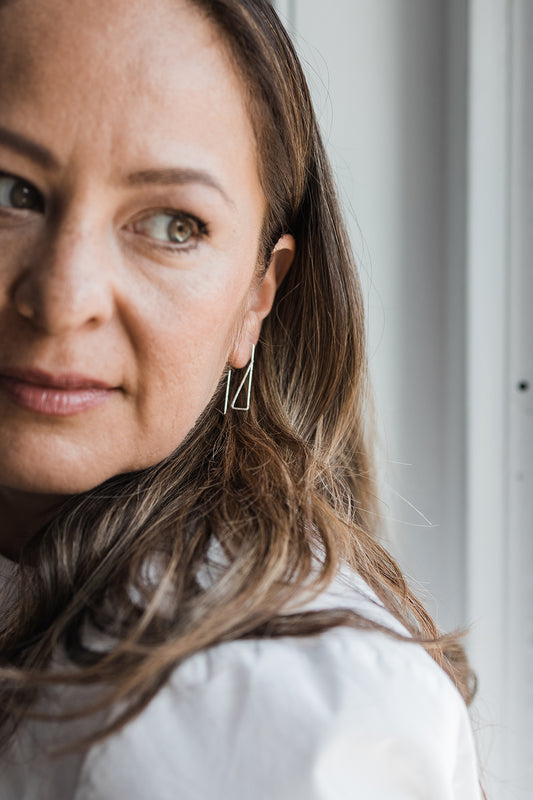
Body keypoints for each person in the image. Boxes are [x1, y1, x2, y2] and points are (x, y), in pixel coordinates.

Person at [0, 0, 482, 797]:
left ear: (257, 298)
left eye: (172, 224)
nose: (62, 299)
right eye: (12, 192)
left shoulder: (259, 705)